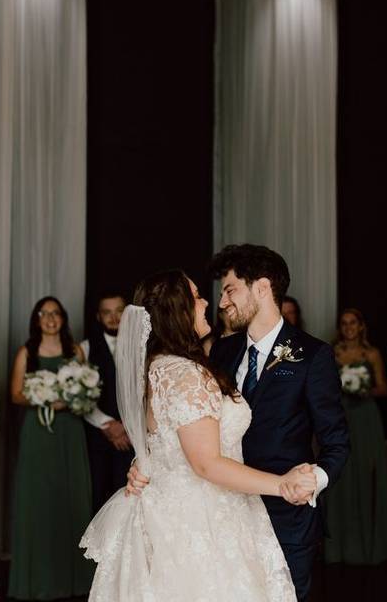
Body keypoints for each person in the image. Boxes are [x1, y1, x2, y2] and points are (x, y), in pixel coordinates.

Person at [126, 245, 351, 600]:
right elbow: (186, 426)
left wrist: (310, 482)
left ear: (262, 288)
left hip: (284, 513)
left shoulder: (313, 355)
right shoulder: (219, 352)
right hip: (220, 515)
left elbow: (336, 441)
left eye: (230, 289)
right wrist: (147, 461)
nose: (221, 303)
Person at [82, 269, 321, 601]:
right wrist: (281, 484)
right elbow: (206, 464)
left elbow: (165, 441)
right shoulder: (187, 375)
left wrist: (143, 463)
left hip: (171, 514)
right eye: (196, 296)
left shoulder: (156, 368)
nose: (208, 301)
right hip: (204, 520)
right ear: (177, 311)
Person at [8, 296, 95, 599]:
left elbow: (87, 389)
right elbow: (16, 394)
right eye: (44, 313)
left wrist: (72, 399)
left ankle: (74, 582)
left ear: (63, 318)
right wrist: (43, 397)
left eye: (55, 313)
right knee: (39, 500)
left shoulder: (76, 351)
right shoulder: (26, 352)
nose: (50, 318)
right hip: (39, 433)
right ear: (37, 319)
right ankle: (37, 582)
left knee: (71, 498)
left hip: (70, 432)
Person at [324, 308, 387, 565]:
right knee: (342, 475)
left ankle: (371, 547)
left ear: (361, 326)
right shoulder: (332, 352)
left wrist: (364, 389)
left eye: (353, 323)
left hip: (366, 417)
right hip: (341, 416)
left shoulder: (371, 353)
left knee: (367, 473)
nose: (349, 327)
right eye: (344, 323)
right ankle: (340, 548)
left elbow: (384, 388)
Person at [80, 292, 133, 512]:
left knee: (130, 495)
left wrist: (128, 427)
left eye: (119, 311)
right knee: (99, 492)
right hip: (98, 435)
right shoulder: (84, 348)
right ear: (98, 317)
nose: (114, 318)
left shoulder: (142, 345)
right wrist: (107, 424)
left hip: (134, 435)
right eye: (107, 313)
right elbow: (78, 395)